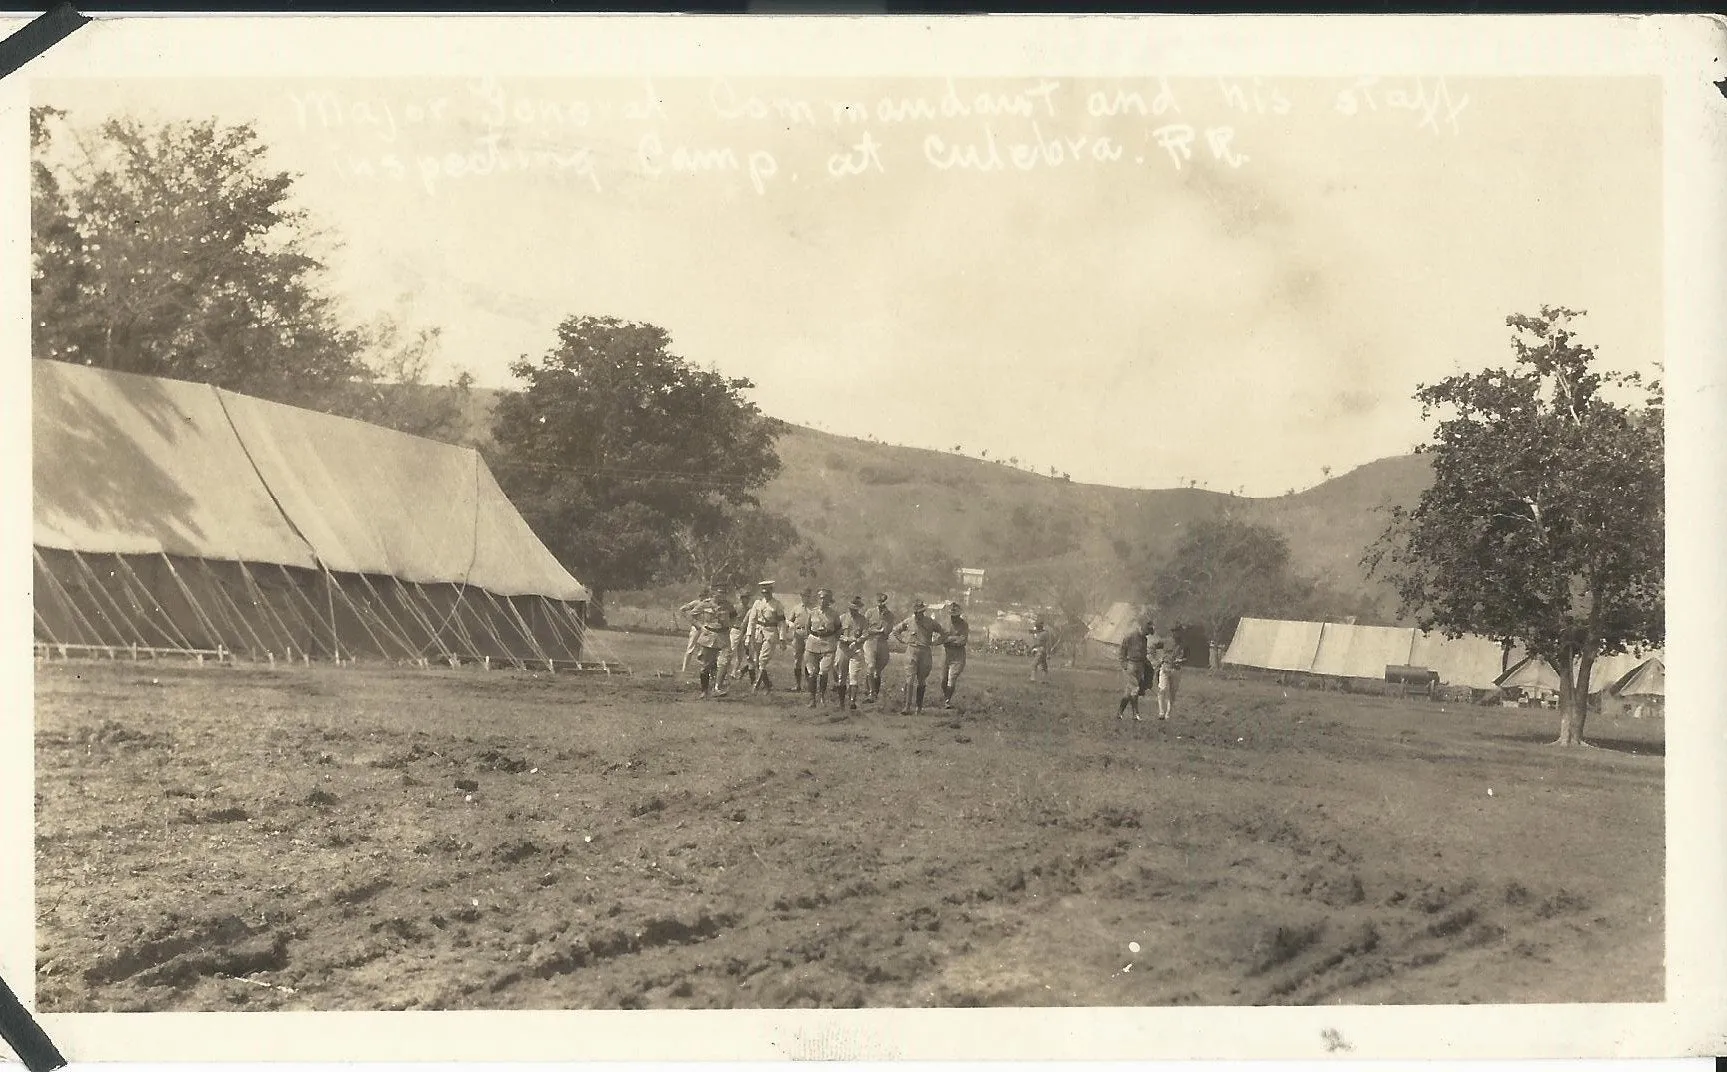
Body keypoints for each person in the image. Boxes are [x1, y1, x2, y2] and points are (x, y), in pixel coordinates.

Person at [891, 599, 948, 715]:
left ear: (923, 612)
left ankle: (919, 707)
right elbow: (895, 630)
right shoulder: (909, 621)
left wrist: (935, 642)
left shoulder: (931, 622)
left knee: (921, 680)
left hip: (925, 652)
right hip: (911, 651)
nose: (918, 615)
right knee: (909, 679)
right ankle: (906, 707)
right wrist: (903, 640)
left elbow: (944, 633)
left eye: (920, 612)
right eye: (916, 613)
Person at [685, 584, 735, 699]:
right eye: (720, 592)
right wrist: (699, 626)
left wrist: (730, 626)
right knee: (705, 666)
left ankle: (718, 687)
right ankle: (704, 691)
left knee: (724, 661)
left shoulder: (728, 605)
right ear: (714, 593)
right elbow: (691, 615)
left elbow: (734, 617)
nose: (722, 595)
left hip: (723, 636)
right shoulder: (706, 604)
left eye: (724, 593)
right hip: (708, 636)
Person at [742, 580, 788, 692]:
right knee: (757, 661)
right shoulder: (757, 604)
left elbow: (782, 623)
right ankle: (768, 686)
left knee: (763, 660)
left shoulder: (777, 605)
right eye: (763, 592)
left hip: (770, 633)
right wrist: (748, 635)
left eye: (767, 592)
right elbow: (752, 621)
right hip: (758, 633)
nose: (765, 594)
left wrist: (782, 638)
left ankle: (755, 687)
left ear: (771, 591)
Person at [801, 588, 843, 709]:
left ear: (830, 600)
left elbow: (838, 628)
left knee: (823, 672)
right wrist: (809, 638)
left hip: (828, 644)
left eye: (825, 598)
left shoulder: (834, 614)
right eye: (820, 597)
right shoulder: (812, 612)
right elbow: (807, 627)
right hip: (813, 642)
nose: (822, 600)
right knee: (812, 673)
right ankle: (812, 699)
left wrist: (831, 636)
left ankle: (822, 696)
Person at [1116, 617, 1154, 721]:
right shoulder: (1130, 636)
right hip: (1131, 665)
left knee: (1128, 692)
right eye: (1147, 630)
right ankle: (1135, 714)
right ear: (1143, 627)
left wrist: (1147, 665)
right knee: (1135, 689)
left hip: (1140, 665)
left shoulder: (1144, 639)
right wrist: (1124, 664)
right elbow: (1122, 651)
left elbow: (1143, 653)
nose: (1148, 633)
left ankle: (1119, 713)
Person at [836, 595, 869, 711]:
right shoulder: (842, 618)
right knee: (841, 676)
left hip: (856, 650)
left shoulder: (863, 620)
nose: (854, 611)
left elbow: (865, 634)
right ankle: (841, 703)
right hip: (843, 649)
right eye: (852, 609)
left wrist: (856, 641)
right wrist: (843, 639)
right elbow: (836, 633)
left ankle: (852, 701)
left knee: (854, 676)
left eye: (856, 609)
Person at [860, 592, 895, 703]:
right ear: (876, 602)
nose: (881, 605)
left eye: (883, 603)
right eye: (879, 602)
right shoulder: (869, 613)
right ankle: (870, 692)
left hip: (882, 643)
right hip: (870, 641)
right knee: (870, 666)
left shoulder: (889, 615)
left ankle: (874, 693)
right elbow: (864, 629)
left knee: (877, 671)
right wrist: (876, 631)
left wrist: (882, 626)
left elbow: (887, 631)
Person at [1150, 623, 1184, 720]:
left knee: (1172, 692)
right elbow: (1152, 647)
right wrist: (1155, 660)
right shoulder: (1166, 641)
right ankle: (1161, 712)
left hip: (1176, 670)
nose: (1175, 633)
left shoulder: (1183, 644)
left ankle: (1168, 713)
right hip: (1165, 667)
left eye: (1177, 631)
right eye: (1173, 631)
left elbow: (1189, 657)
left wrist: (1182, 660)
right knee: (1162, 689)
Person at [940, 600, 969, 710]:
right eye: (952, 615)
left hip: (958, 655)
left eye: (955, 615)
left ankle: (947, 700)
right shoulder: (945, 623)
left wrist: (950, 639)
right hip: (946, 653)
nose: (953, 617)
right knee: (943, 679)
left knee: (951, 678)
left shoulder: (964, 624)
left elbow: (963, 640)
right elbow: (941, 637)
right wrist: (952, 639)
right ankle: (945, 697)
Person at [787, 588, 815, 692]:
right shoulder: (796, 608)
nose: (805, 598)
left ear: (810, 597)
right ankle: (797, 684)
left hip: (809, 635)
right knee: (797, 660)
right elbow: (790, 621)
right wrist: (789, 627)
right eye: (803, 596)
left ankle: (808, 685)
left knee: (809, 660)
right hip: (798, 634)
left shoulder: (814, 609)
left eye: (807, 596)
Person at [677, 589, 708, 674]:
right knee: (690, 648)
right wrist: (692, 621)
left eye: (705, 595)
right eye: (702, 596)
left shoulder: (708, 604)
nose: (703, 597)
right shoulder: (695, 603)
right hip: (697, 628)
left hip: (706, 628)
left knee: (704, 649)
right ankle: (684, 669)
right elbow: (682, 609)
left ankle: (704, 670)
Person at [1028, 614, 1053, 683]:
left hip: (1041, 650)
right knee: (1044, 667)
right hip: (1042, 650)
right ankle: (1044, 680)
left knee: (1034, 665)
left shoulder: (1043, 634)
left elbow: (1047, 644)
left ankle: (1033, 679)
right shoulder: (1044, 633)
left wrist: (1048, 654)